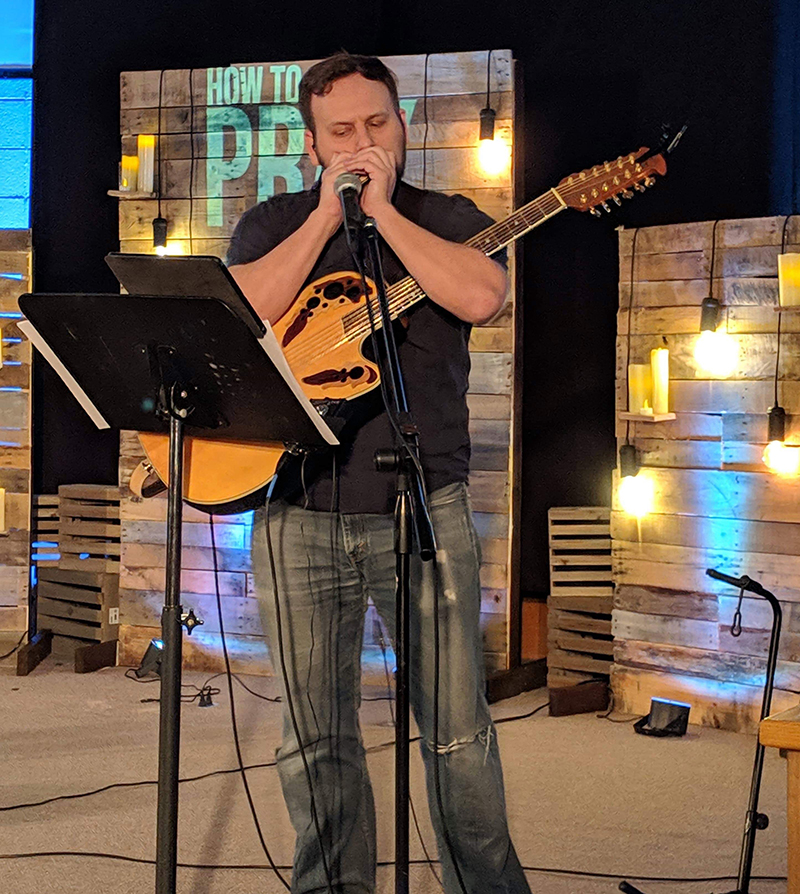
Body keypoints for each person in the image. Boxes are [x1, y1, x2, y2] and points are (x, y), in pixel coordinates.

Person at [227, 52, 531, 894]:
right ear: (312, 142)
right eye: (342, 131)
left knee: (457, 734)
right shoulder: (274, 223)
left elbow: (480, 297)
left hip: (423, 509)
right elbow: (242, 308)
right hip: (298, 514)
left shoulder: (446, 215)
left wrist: (386, 215)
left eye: (378, 124)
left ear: (403, 123)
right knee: (313, 739)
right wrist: (328, 219)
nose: (364, 142)